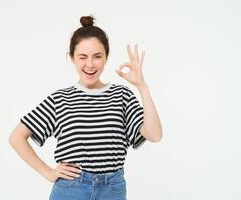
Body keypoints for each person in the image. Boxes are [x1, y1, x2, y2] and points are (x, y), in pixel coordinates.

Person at [8, 15, 162, 200]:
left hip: (112, 189)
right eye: (82, 57)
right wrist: (48, 172)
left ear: (106, 57)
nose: (90, 64)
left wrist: (141, 86)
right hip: (71, 189)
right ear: (72, 58)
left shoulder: (122, 95)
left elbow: (154, 135)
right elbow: (17, 137)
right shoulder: (60, 99)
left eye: (97, 56)